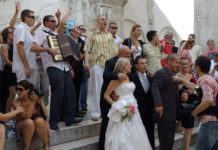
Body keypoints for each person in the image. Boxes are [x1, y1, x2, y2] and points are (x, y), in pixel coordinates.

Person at [30, 9, 82, 131]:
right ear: (46, 23)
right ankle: (54, 120)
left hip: (64, 67)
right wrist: (47, 50)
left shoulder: (58, 34)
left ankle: (69, 118)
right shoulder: (41, 33)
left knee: (69, 92)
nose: (55, 23)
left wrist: (70, 67)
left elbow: (62, 26)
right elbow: (33, 47)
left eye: (55, 21)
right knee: (57, 93)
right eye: (52, 21)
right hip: (53, 67)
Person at [104, 57, 152, 150]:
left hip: (134, 107)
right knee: (123, 133)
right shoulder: (115, 80)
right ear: (124, 66)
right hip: (121, 108)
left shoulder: (130, 77)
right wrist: (116, 105)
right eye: (129, 64)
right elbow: (106, 95)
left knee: (136, 131)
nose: (131, 65)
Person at [98, 45, 133, 150]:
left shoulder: (130, 61)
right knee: (107, 122)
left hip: (124, 99)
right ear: (119, 54)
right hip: (109, 98)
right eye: (127, 53)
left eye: (129, 53)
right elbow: (106, 75)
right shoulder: (110, 62)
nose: (129, 55)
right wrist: (117, 75)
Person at [84, 15, 117, 121]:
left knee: (109, 89)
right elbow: (87, 50)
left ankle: (107, 111)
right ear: (98, 22)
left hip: (109, 67)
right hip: (97, 65)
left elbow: (115, 51)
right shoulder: (92, 35)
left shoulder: (109, 35)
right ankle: (96, 112)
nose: (105, 21)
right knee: (97, 89)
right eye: (102, 19)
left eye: (105, 20)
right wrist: (86, 63)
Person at [151, 53, 188, 150]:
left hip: (172, 114)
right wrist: (158, 105)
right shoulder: (161, 72)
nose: (178, 65)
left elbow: (175, 88)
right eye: (177, 62)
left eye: (179, 63)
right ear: (169, 61)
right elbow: (155, 88)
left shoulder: (173, 74)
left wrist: (183, 93)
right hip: (164, 114)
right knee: (165, 143)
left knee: (170, 142)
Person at [13, 80, 50, 150]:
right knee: (29, 122)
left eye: (20, 90)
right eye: (17, 89)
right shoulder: (16, 102)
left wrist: (40, 100)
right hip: (24, 126)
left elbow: (45, 113)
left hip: (38, 126)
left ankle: (46, 145)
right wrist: (32, 102)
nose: (18, 92)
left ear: (28, 90)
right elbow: (26, 117)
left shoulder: (34, 98)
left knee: (39, 120)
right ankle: (26, 147)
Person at [191, 56, 218, 150]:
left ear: (198, 67)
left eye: (194, 66)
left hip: (209, 121)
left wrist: (194, 112)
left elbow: (208, 100)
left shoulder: (204, 79)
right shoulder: (210, 78)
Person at [129, 56, 155, 149]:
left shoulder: (150, 76)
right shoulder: (131, 77)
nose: (145, 65)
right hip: (137, 111)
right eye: (142, 63)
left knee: (150, 134)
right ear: (136, 65)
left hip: (149, 111)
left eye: (145, 63)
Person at [175, 57, 197, 150]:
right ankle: (186, 148)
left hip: (192, 103)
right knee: (189, 127)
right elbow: (177, 90)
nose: (185, 66)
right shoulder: (177, 76)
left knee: (190, 128)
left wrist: (188, 90)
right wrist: (186, 89)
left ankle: (186, 148)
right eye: (183, 64)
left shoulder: (191, 75)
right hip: (183, 105)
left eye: (186, 64)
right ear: (179, 65)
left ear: (189, 65)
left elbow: (195, 89)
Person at [12, 9, 38, 86]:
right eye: (33, 17)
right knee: (23, 91)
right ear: (26, 18)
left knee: (29, 92)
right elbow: (19, 47)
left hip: (29, 65)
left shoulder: (26, 30)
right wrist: (26, 67)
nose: (34, 20)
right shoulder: (21, 28)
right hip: (23, 67)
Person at [69, 25, 86, 116]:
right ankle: (71, 111)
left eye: (74, 30)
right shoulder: (68, 41)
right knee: (70, 91)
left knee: (78, 89)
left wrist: (82, 57)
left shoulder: (81, 42)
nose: (72, 32)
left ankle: (76, 109)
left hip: (79, 68)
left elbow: (84, 52)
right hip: (70, 68)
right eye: (70, 30)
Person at [1, 27, 17, 113]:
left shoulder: (17, 44)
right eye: (11, 32)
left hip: (18, 71)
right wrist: (18, 68)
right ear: (6, 34)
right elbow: (7, 61)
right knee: (12, 94)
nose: (13, 33)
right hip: (10, 71)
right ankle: (7, 116)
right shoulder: (4, 45)